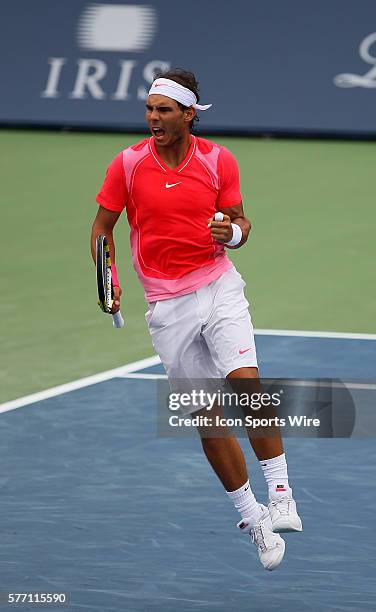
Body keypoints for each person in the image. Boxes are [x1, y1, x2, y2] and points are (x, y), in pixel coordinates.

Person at [90, 68, 302, 571]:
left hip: (218, 286)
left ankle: (281, 492)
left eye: (163, 110)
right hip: (167, 306)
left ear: (189, 115)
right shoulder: (126, 165)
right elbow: (103, 227)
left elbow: (241, 221)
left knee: (248, 384)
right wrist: (108, 275)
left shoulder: (217, 160)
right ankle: (253, 520)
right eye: (149, 109)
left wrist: (229, 233)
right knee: (207, 419)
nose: (152, 119)